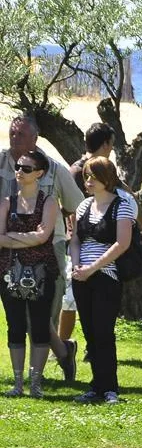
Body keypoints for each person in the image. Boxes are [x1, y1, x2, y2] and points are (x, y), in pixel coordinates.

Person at [1, 115, 84, 379]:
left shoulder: (55, 169)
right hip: (6, 249)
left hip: (46, 248)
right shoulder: (0, 162)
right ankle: (62, 351)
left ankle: (42, 366)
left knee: (40, 308)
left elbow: (77, 204)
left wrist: (51, 217)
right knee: (16, 309)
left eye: (21, 134)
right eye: (12, 133)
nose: (15, 138)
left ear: (35, 139)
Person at [68, 157, 134, 404]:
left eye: (93, 177)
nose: (88, 181)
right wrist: (77, 266)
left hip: (107, 276)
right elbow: (75, 240)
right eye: (86, 176)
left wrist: (93, 268)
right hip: (81, 276)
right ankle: (96, 386)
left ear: (106, 178)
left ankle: (110, 388)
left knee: (104, 332)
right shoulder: (84, 206)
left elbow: (122, 243)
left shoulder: (121, 206)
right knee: (90, 333)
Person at [0, 149, 59, 397]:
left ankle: (35, 383)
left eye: (26, 168)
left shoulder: (49, 201)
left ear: (39, 173)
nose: (19, 172)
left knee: (39, 326)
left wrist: (11, 238)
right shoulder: (6, 202)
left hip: (42, 272)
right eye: (18, 167)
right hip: (8, 272)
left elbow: (43, 236)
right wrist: (27, 238)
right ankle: (17, 383)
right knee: (14, 326)